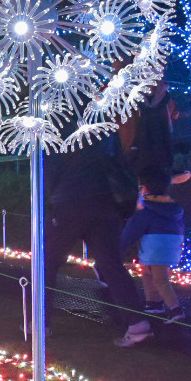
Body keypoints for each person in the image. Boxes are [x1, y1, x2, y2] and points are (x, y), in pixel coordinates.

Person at [44, 136, 152, 347]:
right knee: (112, 265)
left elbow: (50, 172)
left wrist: (53, 196)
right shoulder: (104, 130)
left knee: (46, 263)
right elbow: (119, 163)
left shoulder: (56, 130)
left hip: (69, 202)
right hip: (105, 204)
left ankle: (38, 322)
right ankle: (137, 323)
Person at [123, 167, 186, 322]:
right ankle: (153, 303)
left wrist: (119, 246)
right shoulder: (172, 208)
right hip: (169, 245)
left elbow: (133, 229)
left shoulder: (146, 208)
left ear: (145, 188)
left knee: (160, 280)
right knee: (147, 273)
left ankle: (175, 309)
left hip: (155, 247)